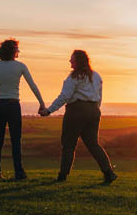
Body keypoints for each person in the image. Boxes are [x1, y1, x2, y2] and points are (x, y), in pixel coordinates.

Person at [40, 49, 117, 184]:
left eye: (72, 59)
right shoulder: (97, 76)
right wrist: (94, 109)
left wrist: (49, 111)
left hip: (76, 111)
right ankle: (109, 173)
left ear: (78, 61)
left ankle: (62, 176)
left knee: (69, 144)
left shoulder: (73, 77)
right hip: (93, 111)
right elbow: (99, 97)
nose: (70, 61)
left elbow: (65, 96)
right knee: (93, 144)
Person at [0, 39, 47, 180]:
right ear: (14, 51)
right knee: (16, 140)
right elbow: (32, 85)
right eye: (17, 49)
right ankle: (18, 172)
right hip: (13, 106)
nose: (19, 52)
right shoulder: (20, 66)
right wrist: (42, 103)